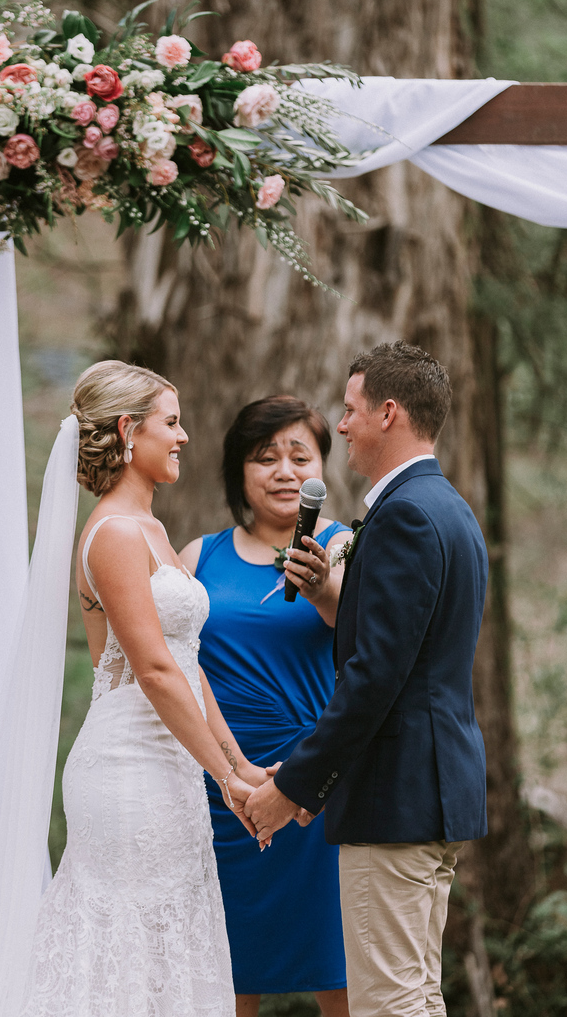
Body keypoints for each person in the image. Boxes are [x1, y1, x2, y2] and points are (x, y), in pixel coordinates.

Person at [245, 342, 489, 1017]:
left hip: (396, 799)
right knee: (415, 994)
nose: (342, 426)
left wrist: (293, 786)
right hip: (429, 794)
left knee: (389, 1002)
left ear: (388, 412)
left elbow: (374, 678)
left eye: (351, 410)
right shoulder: (448, 507)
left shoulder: (405, 516)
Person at [21, 362, 270, 1016]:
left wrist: (240, 763)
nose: (184, 437)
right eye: (172, 422)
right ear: (130, 431)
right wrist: (225, 778)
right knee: (124, 962)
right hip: (126, 770)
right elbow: (154, 671)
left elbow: (189, 663)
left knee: (169, 957)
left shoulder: (152, 530)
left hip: (172, 766)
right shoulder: (114, 534)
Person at [181, 395, 352, 1017]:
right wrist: (225, 767)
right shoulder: (199, 556)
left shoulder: (342, 544)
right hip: (219, 784)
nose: (284, 471)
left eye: (299, 457)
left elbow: (359, 626)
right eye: (264, 457)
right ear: (238, 471)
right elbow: (171, 663)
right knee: (225, 968)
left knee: (338, 964)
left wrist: (322, 586)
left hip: (311, 782)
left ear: (321, 470)